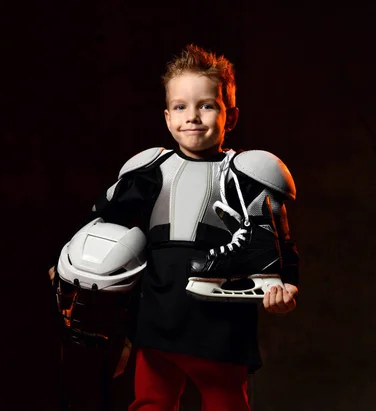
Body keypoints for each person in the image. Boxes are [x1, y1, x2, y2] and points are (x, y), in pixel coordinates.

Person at [49, 43, 300, 411]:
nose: (192, 116)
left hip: (220, 321)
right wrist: (68, 261)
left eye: (207, 105)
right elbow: (103, 221)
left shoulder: (247, 174)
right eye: (181, 107)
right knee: (151, 402)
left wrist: (286, 286)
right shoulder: (150, 170)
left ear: (230, 117)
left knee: (225, 403)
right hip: (155, 317)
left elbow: (278, 243)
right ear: (167, 117)